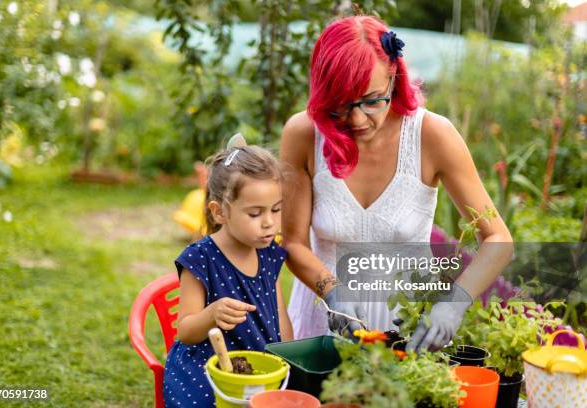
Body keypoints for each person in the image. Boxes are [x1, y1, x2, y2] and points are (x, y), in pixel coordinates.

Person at [281, 15, 513, 351]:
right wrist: (331, 289)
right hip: (324, 315)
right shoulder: (303, 134)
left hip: (408, 322)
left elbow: (498, 237)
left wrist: (454, 303)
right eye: (341, 107)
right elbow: (293, 243)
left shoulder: (431, 135)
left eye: (372, 100)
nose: (358, 119)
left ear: (394, 77)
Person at [163, 136, 293, 408]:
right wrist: (211, 314)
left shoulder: (270, 254)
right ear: (219, 212)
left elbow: (280, 316)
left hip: (259, 364)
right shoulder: (200, 258)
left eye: (276, 209)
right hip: (206, 369)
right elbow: (185, 331)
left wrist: (287, 359)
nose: (269, 223)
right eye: (255, 214)